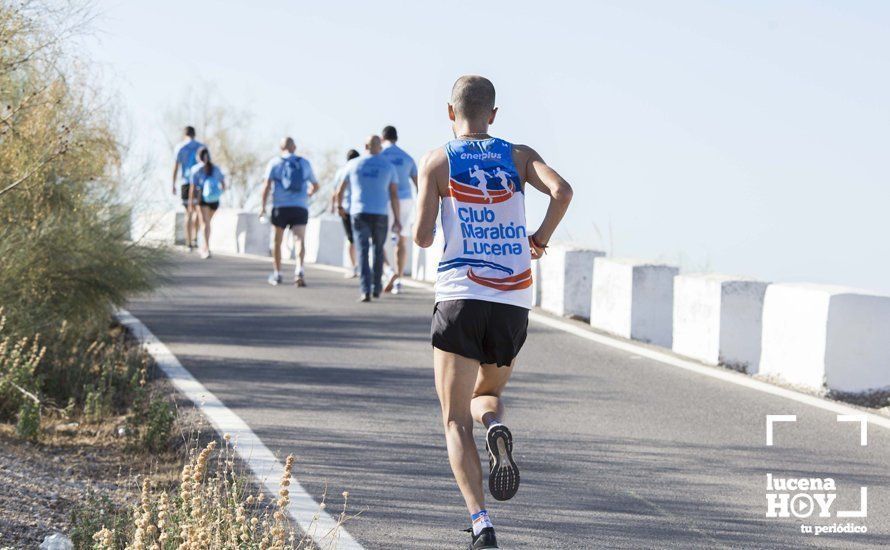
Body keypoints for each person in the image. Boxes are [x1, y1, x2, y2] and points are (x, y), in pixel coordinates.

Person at [413, 75, 572, 549]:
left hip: (460, 295)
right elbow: (563, 191)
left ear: (450, 112)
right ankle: (496, 425)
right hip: (511, 301)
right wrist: (538, 239)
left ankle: (481, 522)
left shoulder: (438, 159)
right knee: (488, 394)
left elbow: (422, 237)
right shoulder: (519, 155)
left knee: (453, 417)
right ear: (494, 115)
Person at [336, 135, 401, 302]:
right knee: (378, 250)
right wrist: (398, 219)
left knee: (362, 251)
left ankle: (365, 290)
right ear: (380, 147)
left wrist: (339, 206)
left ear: (365, 145)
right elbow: (394, 195)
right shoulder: (388, 166)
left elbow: (340, 189)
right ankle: (376, 288)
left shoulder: (353, 164)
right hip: (381, 213)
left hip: (359, 213)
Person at [260, 137, 319, 287]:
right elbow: (316, 185)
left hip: (280, 207)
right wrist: (308, 195)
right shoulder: (304, 163)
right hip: (300, 207)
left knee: (277, 241)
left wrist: (262, 207)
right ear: (294, 147)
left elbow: (266, 186)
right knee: (299, 240)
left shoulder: (275, 162)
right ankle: (299, 270)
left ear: (281, 148)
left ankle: (278, 274)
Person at [379, 125, 418, 295]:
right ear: (396, 138)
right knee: (402, 240)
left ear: (382, 138)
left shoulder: (379, 156)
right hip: (407, 200)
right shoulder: (407, 157)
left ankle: (388, 272)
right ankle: (399, 281)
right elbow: (418, 185)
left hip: (386, 199)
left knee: (378, 240)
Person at [188, 146, 225, 259]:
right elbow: (223, 185)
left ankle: (205, 247)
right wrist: (217, 194)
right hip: (214, 200)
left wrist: (191, 203)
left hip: (203, 199)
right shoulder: (216, 169)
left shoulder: (196, 169)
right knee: (208, 223)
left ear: (199, 157)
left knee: (205, 223)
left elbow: (192, 187)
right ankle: (205, 246)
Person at [330, 149, 361, 278]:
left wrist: (336, 206)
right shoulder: (360, 168)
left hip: (346, 209)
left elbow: (336, 191)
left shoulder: (342, 171)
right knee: (361, 238)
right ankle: (361, 266)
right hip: (360, 208)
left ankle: (353, 267)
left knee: (350, 239)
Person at [172, 126, 204, 249]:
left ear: (185, 134)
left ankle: (188, 241)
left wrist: (173, 184)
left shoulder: (180, 147)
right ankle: (195, 237)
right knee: (197, 210)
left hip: (185, 182)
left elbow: (176, 166)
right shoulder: (201, 147)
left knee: (188, 212)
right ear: (194, 134)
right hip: (199, 183)